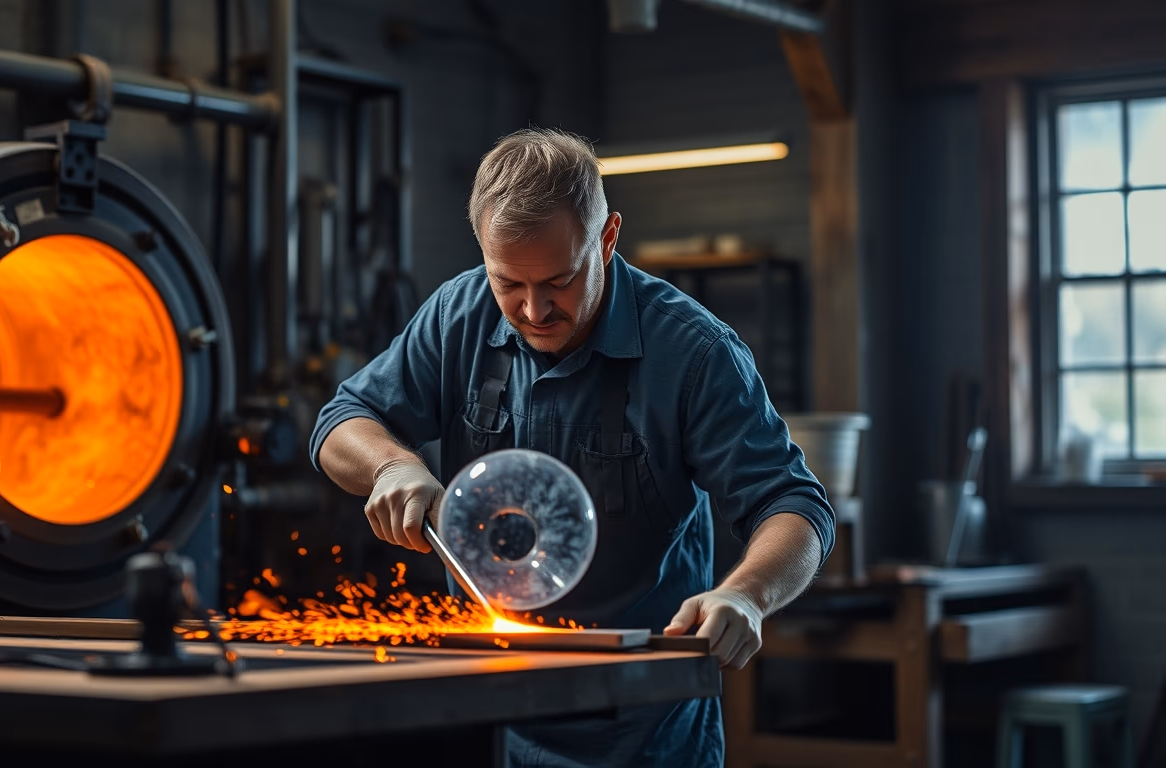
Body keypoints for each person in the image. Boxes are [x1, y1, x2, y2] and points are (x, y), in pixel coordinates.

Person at [310, 127, 834, 768]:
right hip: (481, 707)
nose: (533, 310)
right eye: (509, 283)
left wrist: (745, 594)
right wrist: (390, 463)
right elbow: (343, 419)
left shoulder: (693, 353)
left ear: (608, 238)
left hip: (639, 726)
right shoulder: (458, 316)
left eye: (560, 280)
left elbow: (794, 505)